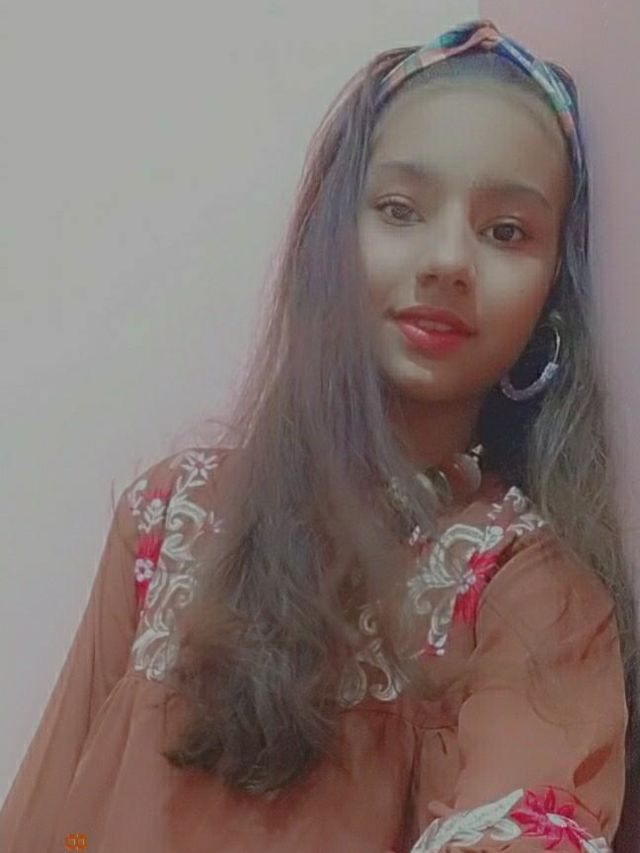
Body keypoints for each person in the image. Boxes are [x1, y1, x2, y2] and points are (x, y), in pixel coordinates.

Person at [1, 18, 637, 853]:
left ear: (552, 295)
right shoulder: (170, 520)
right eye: (400, 210)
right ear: (330, 241)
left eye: (506, 231)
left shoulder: (528, 595)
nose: (448, 260)